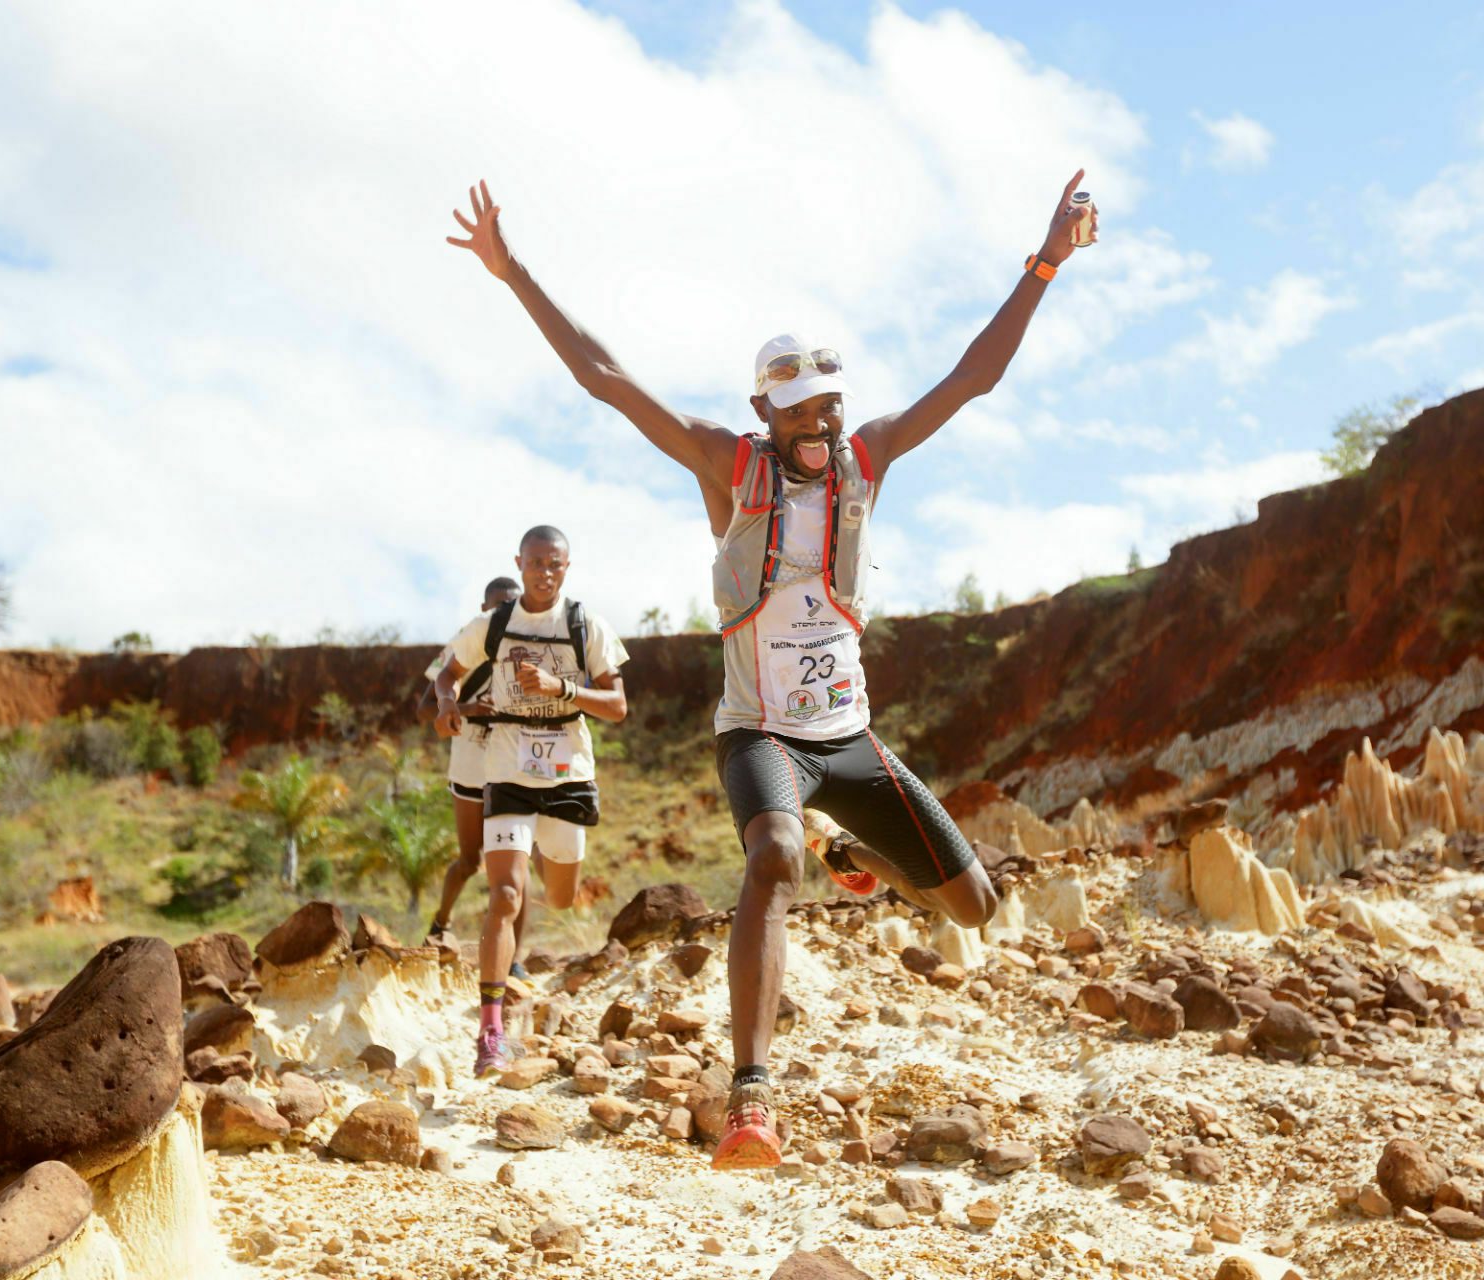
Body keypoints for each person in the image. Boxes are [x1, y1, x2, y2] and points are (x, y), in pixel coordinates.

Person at [446, 170, 1095, 1166]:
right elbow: (606, 380)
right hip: (761, 738)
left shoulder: (865, 464)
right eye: (798, 409)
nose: (818, 423)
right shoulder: (730, 466)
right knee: (773, 857)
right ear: (764, 407)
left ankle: (852, 852)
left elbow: (971, 378)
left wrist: (1046, 260)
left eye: (828, 405)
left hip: (851, 738)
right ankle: (752, 1100)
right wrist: (511, 271)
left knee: (974, 904)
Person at [430, 526, 628, 1076]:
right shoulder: (494, 624)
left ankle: (542, 849)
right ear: (519, 563)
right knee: (505, 895)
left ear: (568, 566)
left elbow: (617, 706)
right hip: (508, 770)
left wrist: (561, 689)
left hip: (567, 774)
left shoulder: (587, 624)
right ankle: (489, 1034)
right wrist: (447, 704)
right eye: (536, 562)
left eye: (555, 564)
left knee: (560, 897)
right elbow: (447, 673)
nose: (545, 572)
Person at [416, 575, 531, 972]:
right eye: (498, 606)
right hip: (468, 767)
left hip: (513, 769)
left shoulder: (530, 648)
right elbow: (423, 708)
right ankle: (441, 920)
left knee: (518, 865)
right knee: (469, 861)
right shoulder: (460, 645)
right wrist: (466, 711)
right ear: (484, 609)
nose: (505, 613)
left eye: (512, 605)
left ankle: (512, 958)